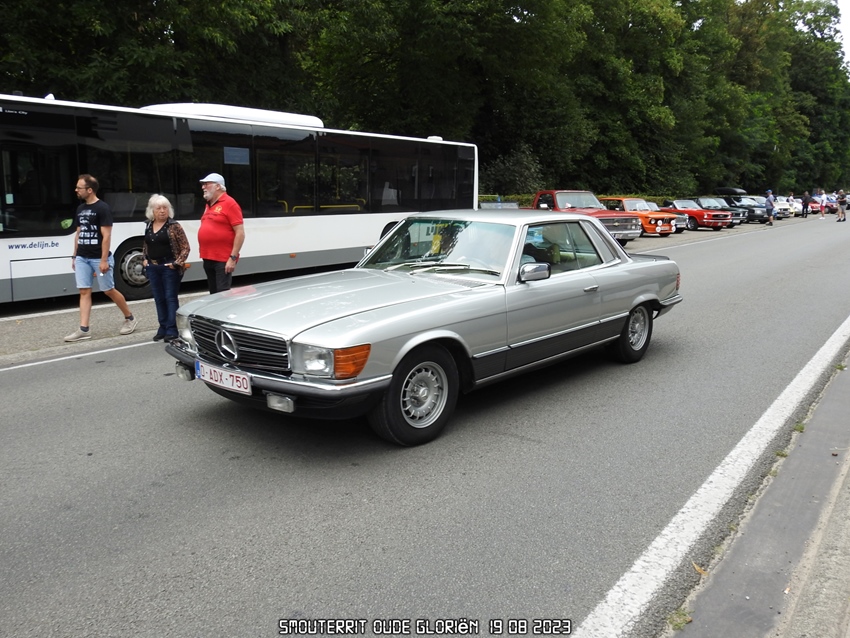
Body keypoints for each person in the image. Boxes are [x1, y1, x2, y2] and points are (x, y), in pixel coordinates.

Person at [64, 174, 137, 342]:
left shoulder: (102, 208)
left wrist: (104, 260)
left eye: (79, 188)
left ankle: (130, 318)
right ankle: (84, 329)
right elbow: (78, 234)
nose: (76, 190)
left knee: (108, 290)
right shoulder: (80, 209)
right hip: (82, 257)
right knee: (84, 291)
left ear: (89, 190)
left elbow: (106, 236)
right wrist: (75, 256)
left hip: (99, 258)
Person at [142, 195, 191, 341]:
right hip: (153, 267)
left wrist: (177, 263)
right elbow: (146, 245)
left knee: (170, 298)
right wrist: (145, 259)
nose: (162, 211)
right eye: (158, 208)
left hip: (169, 268)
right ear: (152, 211)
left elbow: (185, 247)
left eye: (165, 208)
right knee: (159, 299)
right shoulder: (148, 225)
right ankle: (162, 327)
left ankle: (172, 329)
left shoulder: (174, 226)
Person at [197, 172, 245, 294]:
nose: (203, 187)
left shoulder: (230, 203)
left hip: (222, 259)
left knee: (222, 295)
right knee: (213, 294)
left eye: (206, 184)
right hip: (208, 257)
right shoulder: (209, 204)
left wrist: (232, 258)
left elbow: (240, 232)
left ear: (217, 186)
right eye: (203, 184)